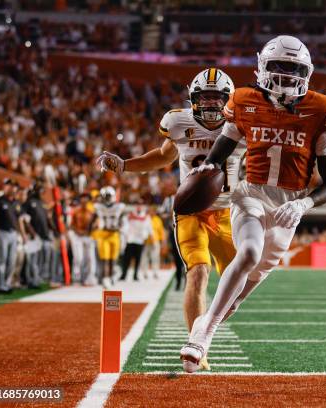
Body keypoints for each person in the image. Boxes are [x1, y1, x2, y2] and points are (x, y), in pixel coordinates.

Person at [180, 35, 326, 372]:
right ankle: (203, 336)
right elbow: (221, 151)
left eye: (294, 69)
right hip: (250, 195)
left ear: (307, 72)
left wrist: (304, 206)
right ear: (262, 67)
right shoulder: (243, 100)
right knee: (249, 253)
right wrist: (206, 171)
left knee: (237, 298)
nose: (286, 76)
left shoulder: (323, 109)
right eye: (279, 67)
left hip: (289, 207)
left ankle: (207, 322)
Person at [96, 68, 244, 370]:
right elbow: (164, 156)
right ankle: (196, 343)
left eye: (218, 98)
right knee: (199, 272)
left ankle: (204, 329)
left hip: (228, 212)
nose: (212, 104)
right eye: (206, 98)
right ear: (193, 98)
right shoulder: (178, 121)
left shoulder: (243, 124)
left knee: (239, 286)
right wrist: (124, 165)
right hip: (190, 211)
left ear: (229, 100)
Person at [0, 179, 23, 293]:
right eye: (10, 186)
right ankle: (0, 284)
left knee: (11, 260)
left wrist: (21, 234)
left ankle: (7, 283)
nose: (12, 188)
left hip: (13, 233)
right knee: (1, 259)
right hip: (1, 232)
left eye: (13, 187)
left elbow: (18, 220)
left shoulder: (16, 203)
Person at [90, 186, 126, 288]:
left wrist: (120, 227)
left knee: (113, 259)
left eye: (108, 196)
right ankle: (106, 278)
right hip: (103, 234)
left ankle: (111, 276)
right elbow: (92, 220)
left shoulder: (120, 207)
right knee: (105, 259)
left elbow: (123, 221)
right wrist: (90, 231)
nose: (107, 198)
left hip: (114, 235)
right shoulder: (98, 207)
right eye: (105, 196)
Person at [69, 193, 97, 285]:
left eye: (86, 199)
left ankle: (89, 278)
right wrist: (78, 231)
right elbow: (71, 225)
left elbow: (96, 225)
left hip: (89, 237)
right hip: (78, 237)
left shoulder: (92, 212)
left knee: (90, 258)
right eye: (82, 198)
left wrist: (91, 229)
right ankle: (76, 278)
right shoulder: (76, 211)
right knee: (78, 257)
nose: (84, 200)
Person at [120, 204, 152, 281]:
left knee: (138, 259)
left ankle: (135, 275)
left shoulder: (146, 216)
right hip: (130, 239)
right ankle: (124, 274)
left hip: (140, 240)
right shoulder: (129, 215)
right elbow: (124, 225)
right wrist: (126, 234)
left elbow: (148, 227)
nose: (139, 207)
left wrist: (146, 236)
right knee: (126, 259)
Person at [141, 205, 165, 279]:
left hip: (155, 241)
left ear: (155, 212)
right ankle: (144, 273)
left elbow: (161, 231)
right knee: (145, 257)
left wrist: (163, 241)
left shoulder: (158, 220)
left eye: (153, 211)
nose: (151, 212)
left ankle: (155, 272)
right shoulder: (145, 218)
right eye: (150, 211)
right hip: (146, 241)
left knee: (155, 258)